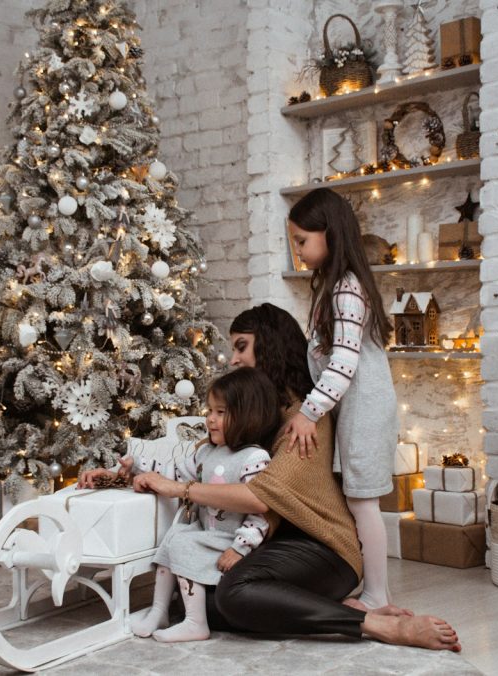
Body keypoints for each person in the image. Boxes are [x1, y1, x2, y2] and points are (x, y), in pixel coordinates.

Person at [83, 303, 459, 651]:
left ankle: (374, 625)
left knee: (232, 594)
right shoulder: (249, 413)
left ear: (271, 347)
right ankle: (308, 606)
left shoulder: (305, 418)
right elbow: (197, 460)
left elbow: (260, 497)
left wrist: (181, 490)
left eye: (242, 346)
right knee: (197, 600)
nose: (234, 359)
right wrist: (120, 474)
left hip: (321, 548)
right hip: (262, 545)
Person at [82, 367, 278, 642]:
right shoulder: (206, 451)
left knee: (185, 545)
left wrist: (239, 548)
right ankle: (160, 610)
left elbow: (261, 513)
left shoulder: (254, 458)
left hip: (228, 539)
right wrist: (137, 465)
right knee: (174, 537)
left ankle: (195, 622)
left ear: (248, 415)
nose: (210, 419)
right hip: (206, 534)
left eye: (220, 413)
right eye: (209, 411)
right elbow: (173, 474)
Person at [282, 188, 399, 612]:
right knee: (357, 498)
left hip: (365, 410)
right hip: (355, 409)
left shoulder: (346, 289)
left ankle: (377, 595)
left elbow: (344, 363)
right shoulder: (333, 285)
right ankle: (369, 587)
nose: (297, 251)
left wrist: (308, 413)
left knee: (363, 499)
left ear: (329, 234)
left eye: (302, 240)